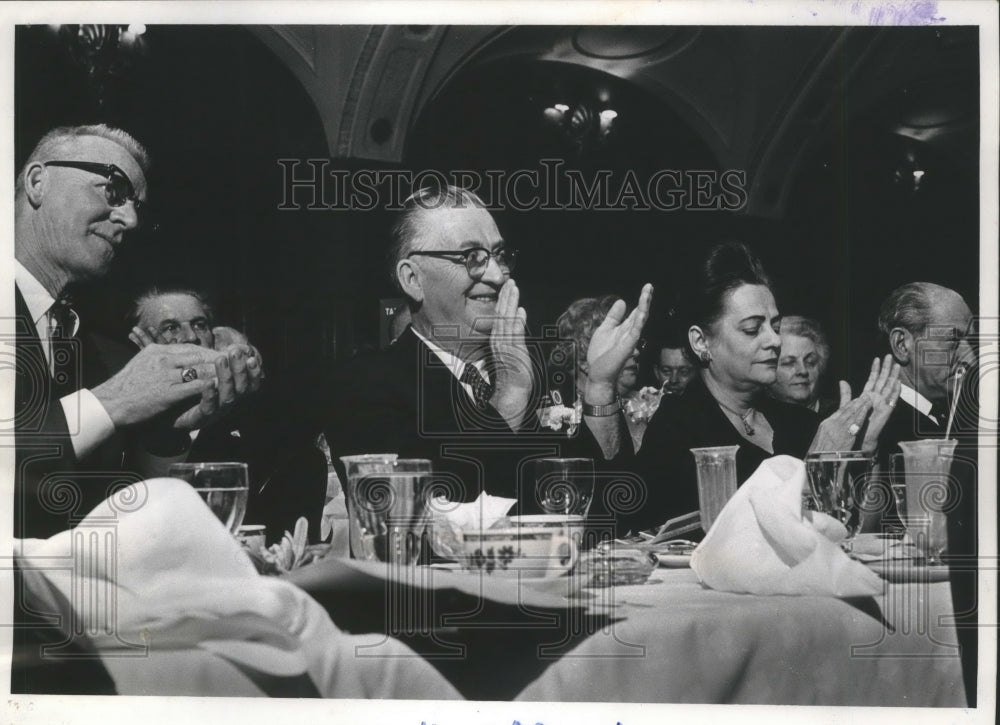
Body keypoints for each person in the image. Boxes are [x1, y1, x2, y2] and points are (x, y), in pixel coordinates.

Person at [322, 185, 648, 509]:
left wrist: (601, 389)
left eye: (499, 255)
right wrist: (509, 398)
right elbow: (412, 521)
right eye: (471, 257)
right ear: (413, 280)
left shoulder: (532, 371)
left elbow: (602, 503)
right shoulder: (363, 387)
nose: (496, 274)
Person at [12, 124, 262, 540]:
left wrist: (165, 433)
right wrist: (116, 400)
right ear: (39, 182)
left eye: (137, 207)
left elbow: (110, 511)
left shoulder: (88, 345)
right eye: (113, 189)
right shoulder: (112, 373)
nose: (129, 219)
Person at [621, 242, 900, 533]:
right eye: (753, 329)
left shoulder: (800, 422)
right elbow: (725, 546)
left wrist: (867, 449)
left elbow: (858, 530)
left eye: (775, 326)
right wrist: (813, 466)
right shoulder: (676, 433)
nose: (775, 341)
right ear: (701, 342)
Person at [128, 286, 327, 541]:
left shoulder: (249, 426)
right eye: (171, 328)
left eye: (200, 325)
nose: (190, 337)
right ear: (141, 344)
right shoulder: (121, 426)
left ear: (211, 338)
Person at [553, 295, 649, 451]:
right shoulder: (556, 417)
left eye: (634, 343)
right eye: (618, 344)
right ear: (582, 359)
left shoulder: (649, 405)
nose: (636, 352)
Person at [769, 315, 837, 416]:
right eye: (789, 363)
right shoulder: (757, 422)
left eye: (810, 362)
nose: (803, 371)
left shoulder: (840, 414)